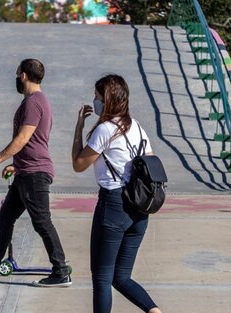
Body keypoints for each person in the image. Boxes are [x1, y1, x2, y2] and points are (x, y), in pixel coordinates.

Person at [0, 59, 71, 287]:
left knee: (41, 221)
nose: (16, 78)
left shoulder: (33, 102)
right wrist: (16, 164)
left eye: (17, 74)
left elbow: (23, 138)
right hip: (26, 170)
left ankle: (61, 271)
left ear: (23, 75)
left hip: (35, 172)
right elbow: (34, 141)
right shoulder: (38, 101)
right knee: (6, 218)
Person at [71, 74, 162, 313]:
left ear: (108, 100)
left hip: (113, 206)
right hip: (140, 210)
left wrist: (80, 127)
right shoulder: (138, 129)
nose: (95, 100)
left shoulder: (105, 130)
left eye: (98, 97)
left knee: (102, 278)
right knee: (121, 277)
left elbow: (78, 164)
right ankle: (155, 311)